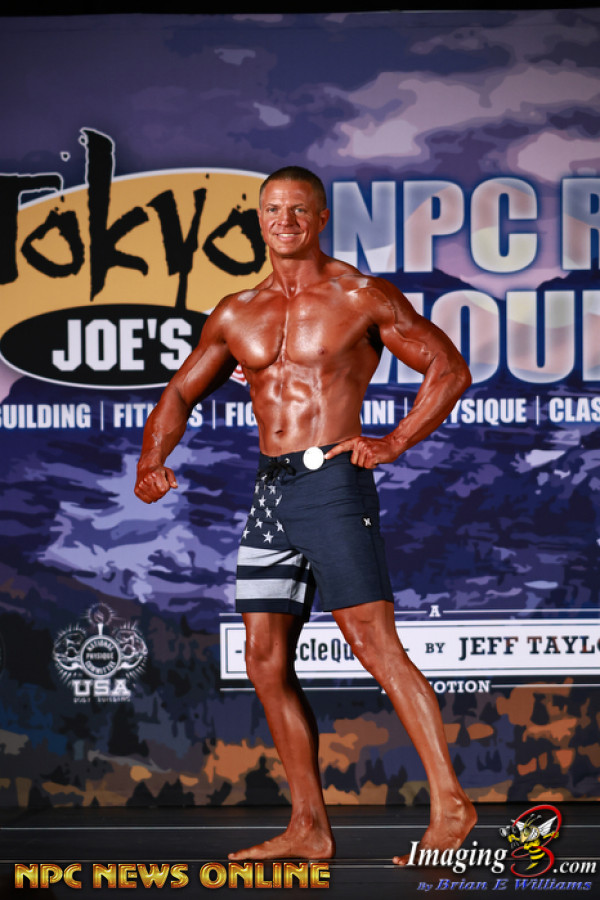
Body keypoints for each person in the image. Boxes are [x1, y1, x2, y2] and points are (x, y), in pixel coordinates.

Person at [134, 165, 476, 864]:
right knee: (265, 660)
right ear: (259, 220)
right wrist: (150, 461)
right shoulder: (237, 311)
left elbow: (448, 368)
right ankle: (308, 827)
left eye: (298, 210)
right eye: (272, 210)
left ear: (321, 219)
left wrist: (395, 441)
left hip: (333, 487)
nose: (284, 221)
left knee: (375, 645)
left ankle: (451, 803)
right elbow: (180, 392)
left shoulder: (360, 295)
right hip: (271, 493)